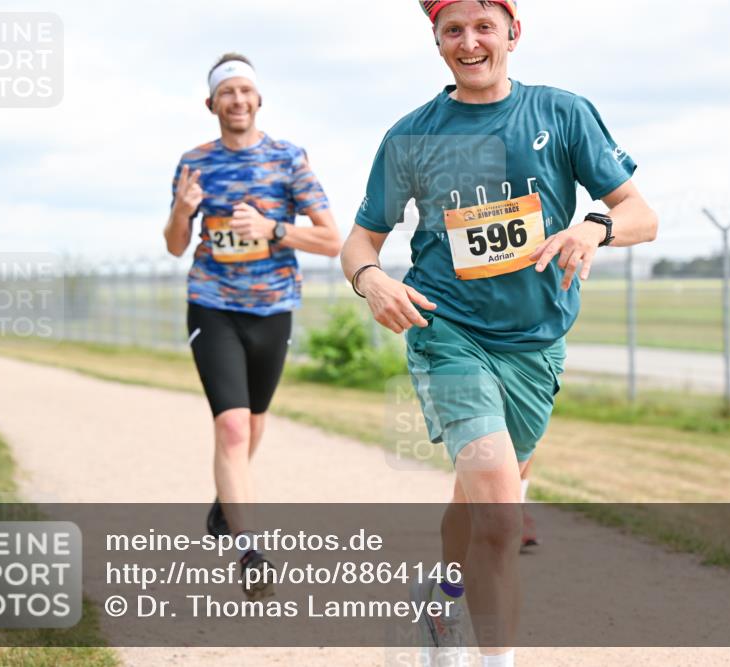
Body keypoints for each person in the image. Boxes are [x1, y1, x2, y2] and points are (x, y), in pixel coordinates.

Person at [341, 2, 657, 664]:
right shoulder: (412, 136)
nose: (470, 41)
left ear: (513, 33)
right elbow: (361, 239)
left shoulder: (562, 113)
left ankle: (444, 603)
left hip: (535, 343)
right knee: (501, 512)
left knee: (481, 496)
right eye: (452, 29)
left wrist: (593, 226)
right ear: (436, 43)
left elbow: (640, 213)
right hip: (447, 329)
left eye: (484, 25)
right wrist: (371, 280)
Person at [164, 53, 341, 599]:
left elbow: (332, 240)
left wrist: (271, 227)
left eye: (245, 91)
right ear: (211, 103)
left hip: (273, 308)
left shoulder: (289, 159)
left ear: (258, 99)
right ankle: (249, 550)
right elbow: (174, 246)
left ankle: (225, 506)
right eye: (226, 93)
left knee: (255, 423)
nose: (237, 101)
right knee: (233, 426)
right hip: (212, 303)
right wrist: (181, 209)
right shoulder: (194, 162)